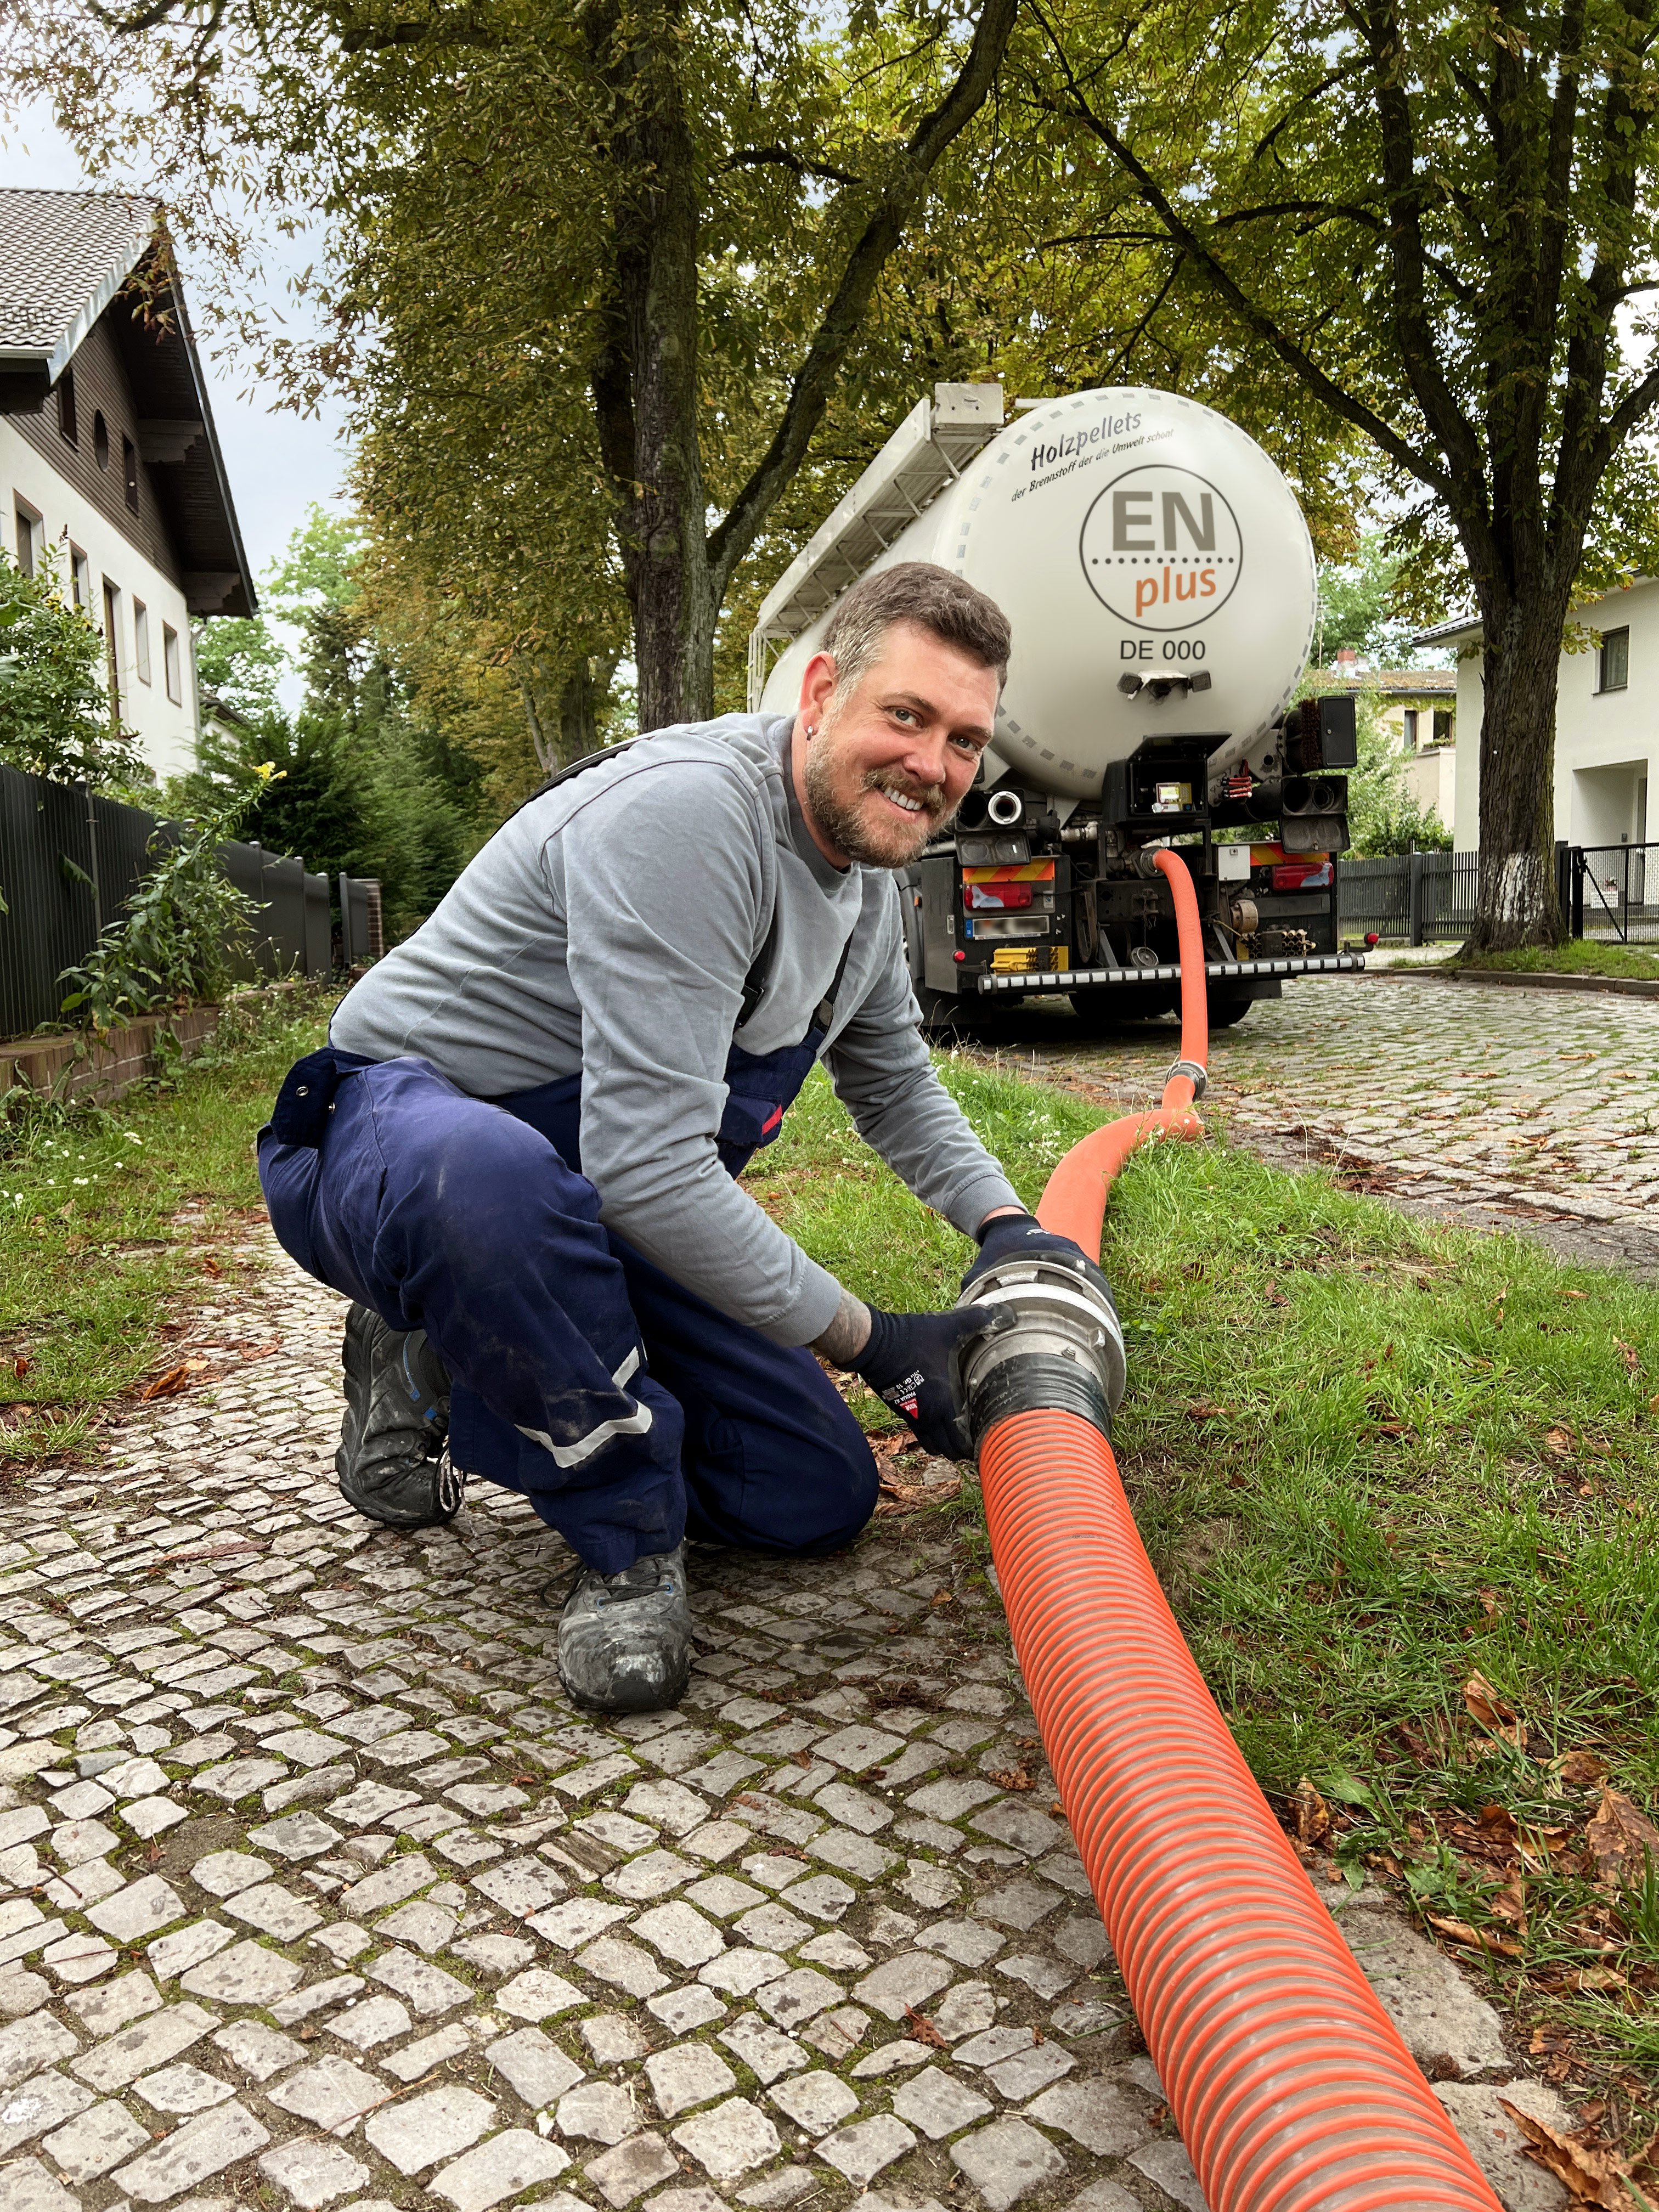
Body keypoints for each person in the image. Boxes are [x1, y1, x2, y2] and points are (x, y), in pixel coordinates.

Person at [257, 561, 1091, 1714]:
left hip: (582, 1189)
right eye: (906, 715)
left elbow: (895, 1080)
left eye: (964, 740)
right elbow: (648, 1165)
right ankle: (623, 1546)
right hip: (400, 1147)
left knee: (811, 1494)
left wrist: (1007, 1228)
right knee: (490, 1187)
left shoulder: (865, 878)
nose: (933, 765)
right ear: (819, 695)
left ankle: (455, 1353)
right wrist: (875, 1339)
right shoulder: (691, 818)